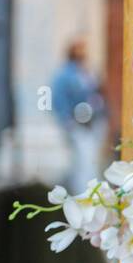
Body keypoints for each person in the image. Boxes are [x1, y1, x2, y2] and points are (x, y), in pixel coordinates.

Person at [49, 37, 107, 195]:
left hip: (94, 122)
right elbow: (58, 99)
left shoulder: (87, 71)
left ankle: (95, 193)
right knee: (83, 160)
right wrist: (68, 121)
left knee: (93, 160)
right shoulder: (65, 75)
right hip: (78, 125)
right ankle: (83, 194)